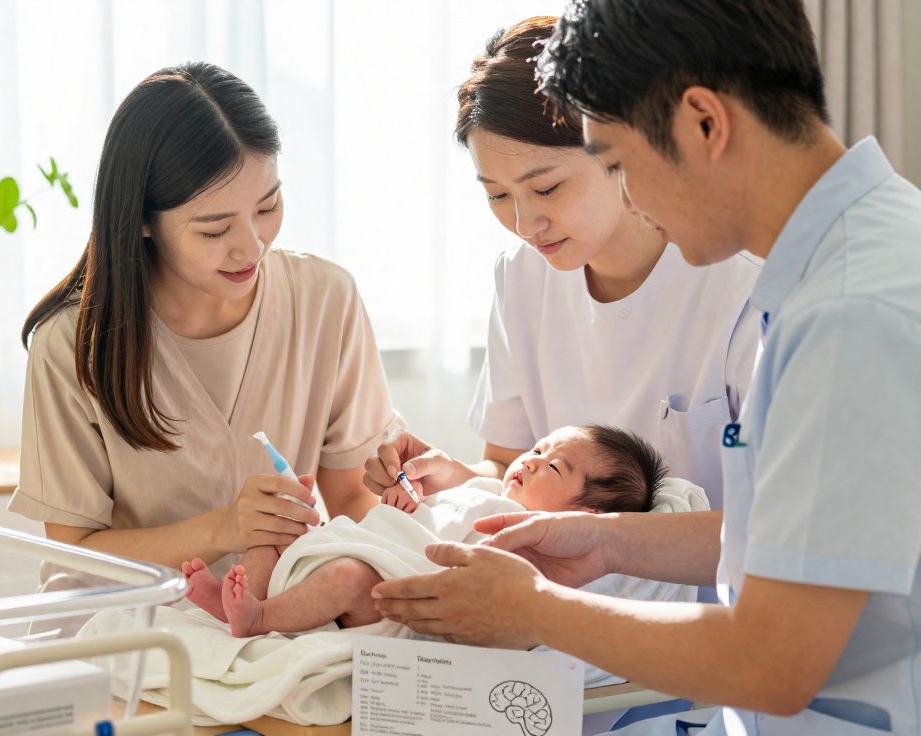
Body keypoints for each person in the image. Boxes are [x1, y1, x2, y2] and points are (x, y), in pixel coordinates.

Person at [372, 2, 921, 734]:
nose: (630, 198)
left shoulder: (848, 313)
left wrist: (535, 608)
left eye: (621, 163)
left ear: (703, 123)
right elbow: (780, 541)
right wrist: (602, 541)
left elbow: (775, 662)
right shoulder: (854, 257)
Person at [9, 62, 398, 576]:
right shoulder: (72, 344)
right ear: (142, 220)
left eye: (267, 208)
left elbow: (351, 497)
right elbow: (74, 552)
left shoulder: (327, 299)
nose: (252, 247)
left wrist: (407, 514)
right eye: (215, 230)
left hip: (280, 610)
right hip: (132, 614)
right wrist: (222, 530)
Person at [364, 17, 760, 512]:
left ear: (620, 146)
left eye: (547, 188)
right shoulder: (521, 276)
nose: (524, 224)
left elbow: (775, 520)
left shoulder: (742, 286)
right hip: (549, 558)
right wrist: (450, 476)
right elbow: (505, 466)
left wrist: (601, 542)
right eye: (497, 195)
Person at [182, 424, 665, 637]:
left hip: (382, 588)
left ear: (583, 518)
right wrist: (405, 499)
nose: (532, 462)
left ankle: (260, 617)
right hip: (354, 541)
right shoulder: (481, 486)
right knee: (277, 530)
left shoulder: (534, 535)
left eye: (554, 468)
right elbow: (423, 514)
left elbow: (478, 575)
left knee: (347, 578)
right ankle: (233, 602)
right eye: (538, 449)